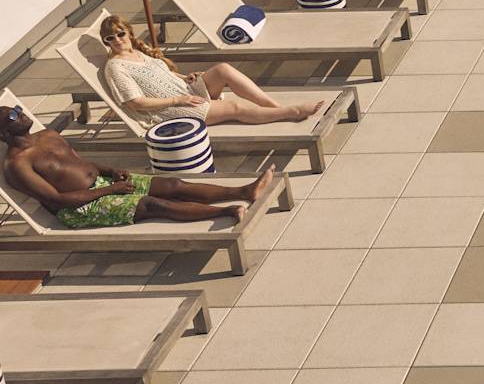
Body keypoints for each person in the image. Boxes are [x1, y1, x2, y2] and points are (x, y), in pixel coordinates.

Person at [1, 102, 275, 229]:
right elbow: (58, 200)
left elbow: (78, 163)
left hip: (105, 184)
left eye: (17, 108)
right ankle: (227, 211)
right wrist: (110, 190)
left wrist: (109, 172)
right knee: (152, 204)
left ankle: (243, 192)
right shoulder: (17, 165)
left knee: (172, 184)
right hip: (82, 207)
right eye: (12, 115)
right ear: (3, 133)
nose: (21, 113)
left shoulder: (47, 134)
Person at [97, 14, 323, 125]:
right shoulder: (115, 67)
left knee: (223, 69)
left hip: (185, 91)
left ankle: (273, 107)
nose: (117, 40)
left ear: (129, 33)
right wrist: (177, 101)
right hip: (170, 110)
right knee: (234, 106)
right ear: (106, 43)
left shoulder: (139, 52)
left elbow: (161, 75)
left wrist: (185, 77)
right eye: (110, 38)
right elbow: (135, 103)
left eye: (120, 34)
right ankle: (291, 113)